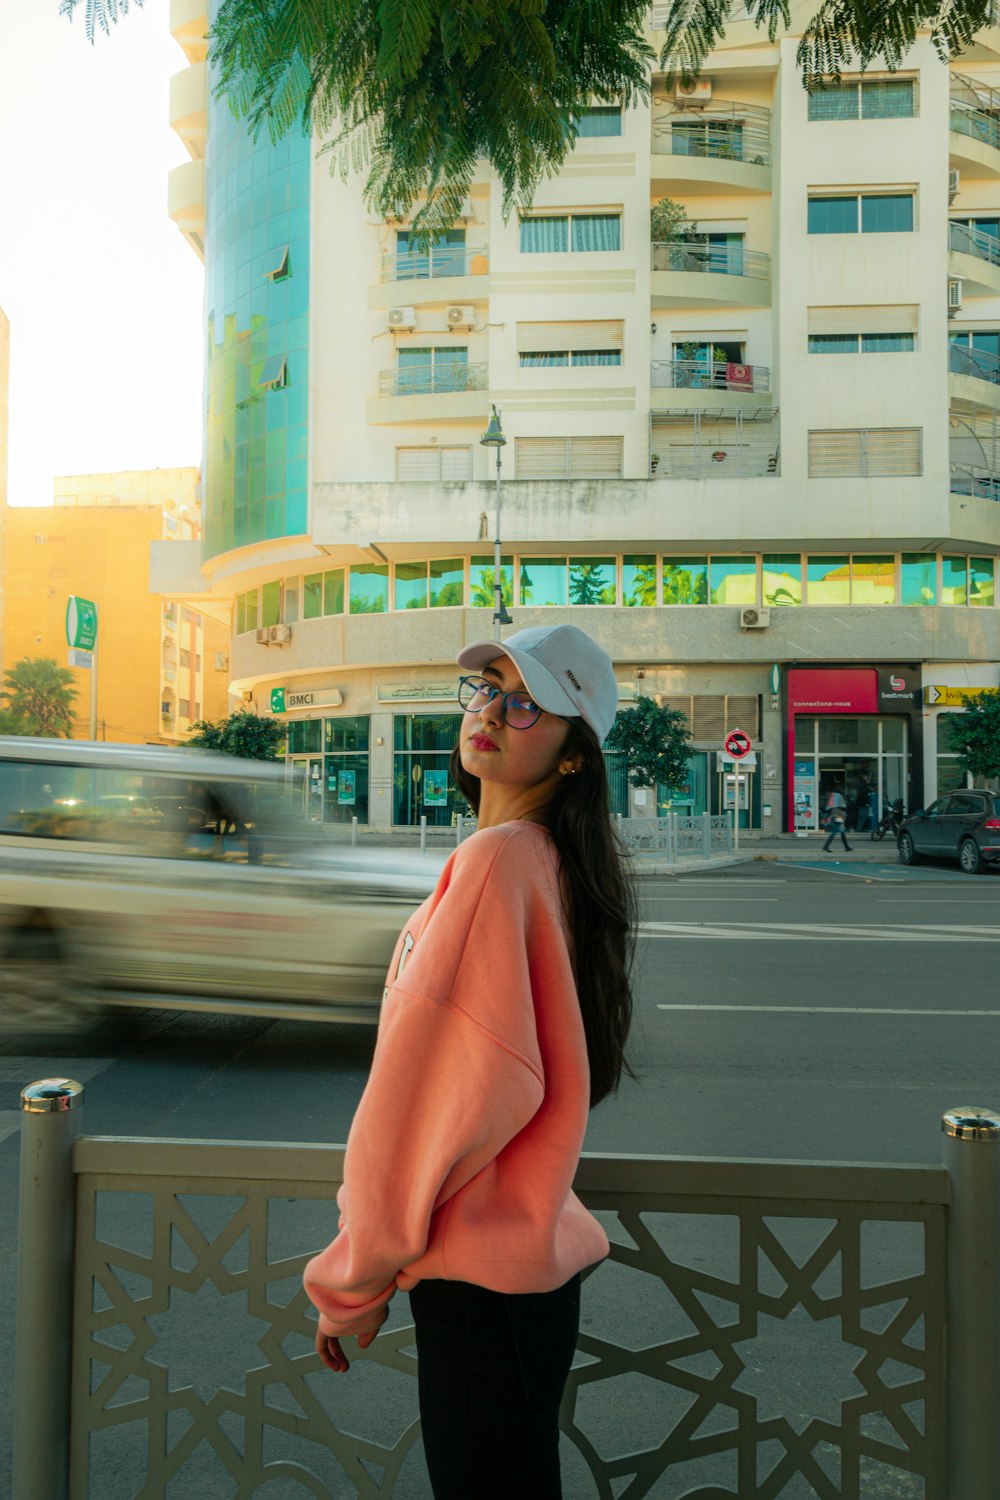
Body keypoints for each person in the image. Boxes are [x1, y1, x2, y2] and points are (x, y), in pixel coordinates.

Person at [303, 623, 637, 1499]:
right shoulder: (549, 862)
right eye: (486, 689)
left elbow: (416, 1111)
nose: (492, 710)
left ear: (574, 755)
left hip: (481, 1291)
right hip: (523, 1280)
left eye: (527, 703)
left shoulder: (495, 862)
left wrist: (351, 1281)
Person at [822, 785, 851, 853]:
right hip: (839, 814)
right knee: (836, 830)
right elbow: (843, 805)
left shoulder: (832, 795)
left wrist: (829, 815)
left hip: (833, 813)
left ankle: (847, 847)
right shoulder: (839, 796)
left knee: (842, 830)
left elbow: (829, 806)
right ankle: (826, 846)